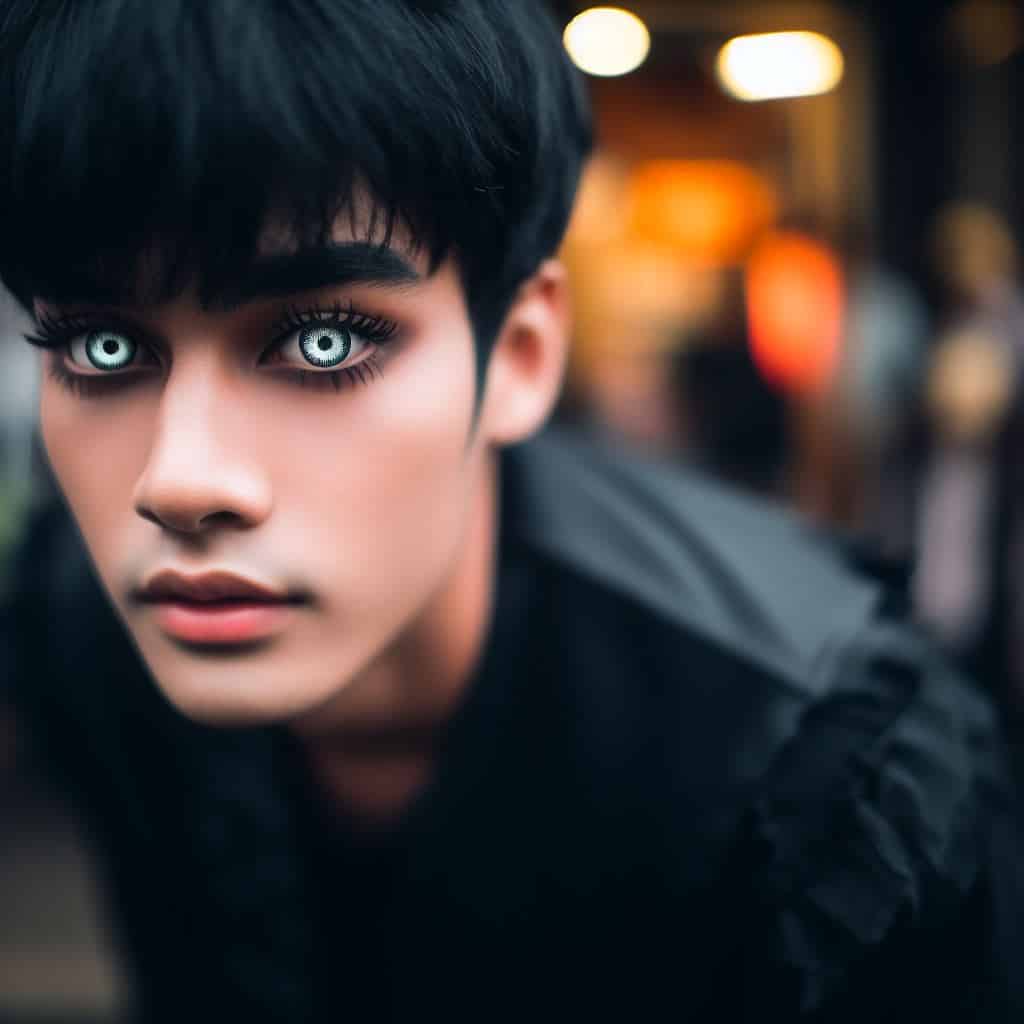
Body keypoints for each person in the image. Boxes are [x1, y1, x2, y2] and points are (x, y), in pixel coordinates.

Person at [0, 2, 1021, 1020]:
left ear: (521, 356)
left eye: (321, 341)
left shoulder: (834, 776)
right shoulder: (73, 621)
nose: (178, 482)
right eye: (101, 345)